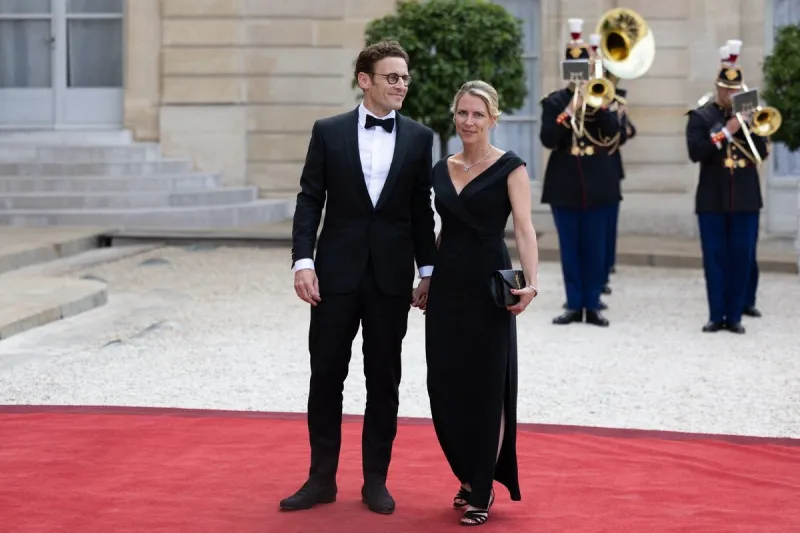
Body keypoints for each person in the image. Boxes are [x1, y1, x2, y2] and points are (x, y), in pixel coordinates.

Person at [283, 40, 437, 514]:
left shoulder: (418, 137)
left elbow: (419, 211)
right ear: (364, 80)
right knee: (326, 374)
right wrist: (303, 261)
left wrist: (427, 270)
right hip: (335, 274)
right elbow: (311, 199)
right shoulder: (327, 132)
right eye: (392, 77)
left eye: (405, 78)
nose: (402, 85)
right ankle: (321, 479)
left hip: (391, 279)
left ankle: (375, 481)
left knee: (383, 378)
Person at [422, 80, 540, 527]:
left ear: (493, 119)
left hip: (491, 286)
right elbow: (441, 231)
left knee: (488, 386)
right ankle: (467, 472)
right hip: (448, 284)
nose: (469, 121)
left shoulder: (511, 167)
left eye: (478, 114)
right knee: (445, 385)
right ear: (455, 116)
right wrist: (427, 277)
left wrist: (531, 285)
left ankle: (482, 484)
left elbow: (525, 230)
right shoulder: (440, 169)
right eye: (463, 113)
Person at [540, 18, 621, 327]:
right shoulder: (554, 102)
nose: (579, 75)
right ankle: (574, 304)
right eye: (574, 69)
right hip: (565, 182)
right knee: (571, 248)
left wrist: (597, 105)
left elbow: (614, 133)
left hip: (599, 181)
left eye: (583, 69)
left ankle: (593, 303)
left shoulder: (601, 97)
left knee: (596, 247)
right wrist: (569, 111)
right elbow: (548, 138)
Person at [685, 39, 770, 334]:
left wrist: (747, 125)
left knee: (741, 256)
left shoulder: (753, 117)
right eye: (726, 89)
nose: (730, 93)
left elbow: (762, 153)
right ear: (718, 87)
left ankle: (735, 315)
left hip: (746, 195)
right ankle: (716, 314)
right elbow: (697, 152)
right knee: (715, 257)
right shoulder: (701, 116)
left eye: (735, 89)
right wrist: (727, 131)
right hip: (712, 195)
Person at [604, 79, 637, 295]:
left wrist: (619, 116)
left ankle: (605, 268)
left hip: (610, 171)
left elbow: (629, 132)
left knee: (607, 226)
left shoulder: (617, 102)